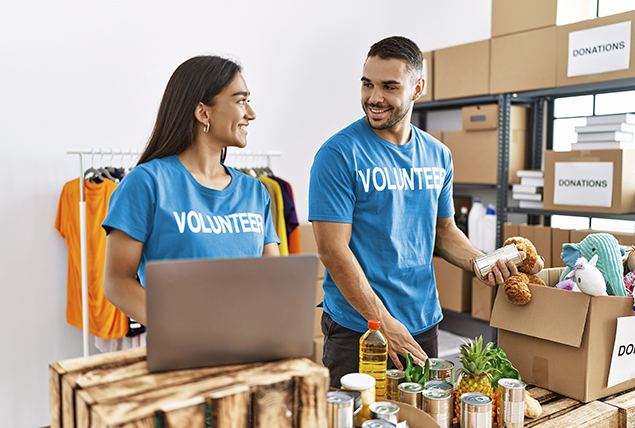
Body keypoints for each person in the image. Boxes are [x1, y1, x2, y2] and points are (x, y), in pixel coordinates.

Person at [308, 36, 520, 387]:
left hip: (423, 323)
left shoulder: (438, 155)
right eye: (367, 84)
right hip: (360, 328)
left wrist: (481, 262)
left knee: (419, 417)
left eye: (389, 86)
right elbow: (333, 249)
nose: (374, 98)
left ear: (417, 88)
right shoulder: (338, 155)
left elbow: (444, 232)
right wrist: (382, 324)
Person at [103, 55, 280, 326]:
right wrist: (182, 327)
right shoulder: (147, 183)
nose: (251, 114)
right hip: (181, 355)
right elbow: (117, 281)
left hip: (251, 349)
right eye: (240, 100)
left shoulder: (256, 192)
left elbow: (274, 282)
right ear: (203, 112)